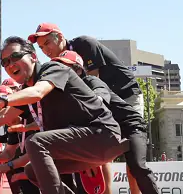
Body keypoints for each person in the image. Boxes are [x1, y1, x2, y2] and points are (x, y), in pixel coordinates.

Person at [0, 36, 129, 194]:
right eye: (5, 62)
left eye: (15, 57)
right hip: (81, 143)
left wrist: (1, 101)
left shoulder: (54, 69)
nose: (10, 65)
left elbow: (38, 92)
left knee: (35, 142)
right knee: (32, 170)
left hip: (103, 135)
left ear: (33, 57)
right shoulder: (26, 92)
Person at [52, 50, 159, 194]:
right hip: (109, 131)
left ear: (77, 69)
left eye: (64, 68)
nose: (58, 72)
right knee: (69, 162)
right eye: (57, 68)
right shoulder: (65, 94)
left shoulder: (91, 81)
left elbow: (99, 97)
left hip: (130, 125)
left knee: (137, 166)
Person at [27, 23, 144, 116]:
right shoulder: (58, 64)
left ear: (60, 37)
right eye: (41, 47)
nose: (45, 50)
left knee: (132, 135)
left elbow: (93, 81)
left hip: (126, 95)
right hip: (106, 101)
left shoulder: (85, 44)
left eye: (47, 43)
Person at [0, 85, 41, 194]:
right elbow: (9, 152)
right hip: (31, 169)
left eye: (6, 115)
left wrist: (8, 166)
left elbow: (34, 154)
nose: (6, 122)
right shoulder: (12, 125)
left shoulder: (33, 116)